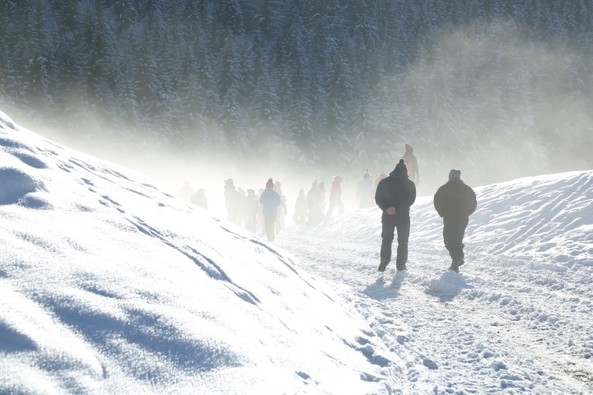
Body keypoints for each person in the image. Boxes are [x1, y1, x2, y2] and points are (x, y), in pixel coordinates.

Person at [375, 159, 416, 272]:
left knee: (387, 239)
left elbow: (378, 198)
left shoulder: (384, 182)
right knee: (403, 241)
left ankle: (384, 260)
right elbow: (411, 200)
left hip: (388, 216)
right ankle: (401, 265)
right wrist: (398, 208)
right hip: (403, 217)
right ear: (405, 171)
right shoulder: (409, 184)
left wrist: (387, 208)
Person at [433, 169, 477, 273]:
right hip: (463, 218)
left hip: (449, 218)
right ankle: (457, 260)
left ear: (450, 177)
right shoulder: (467, 189)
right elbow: (473, 203)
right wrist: (466, 213)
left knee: (448, 240)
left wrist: (442, 212)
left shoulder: (444, 189)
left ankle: (457, 258)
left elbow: (437, 201)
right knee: (458, 238)